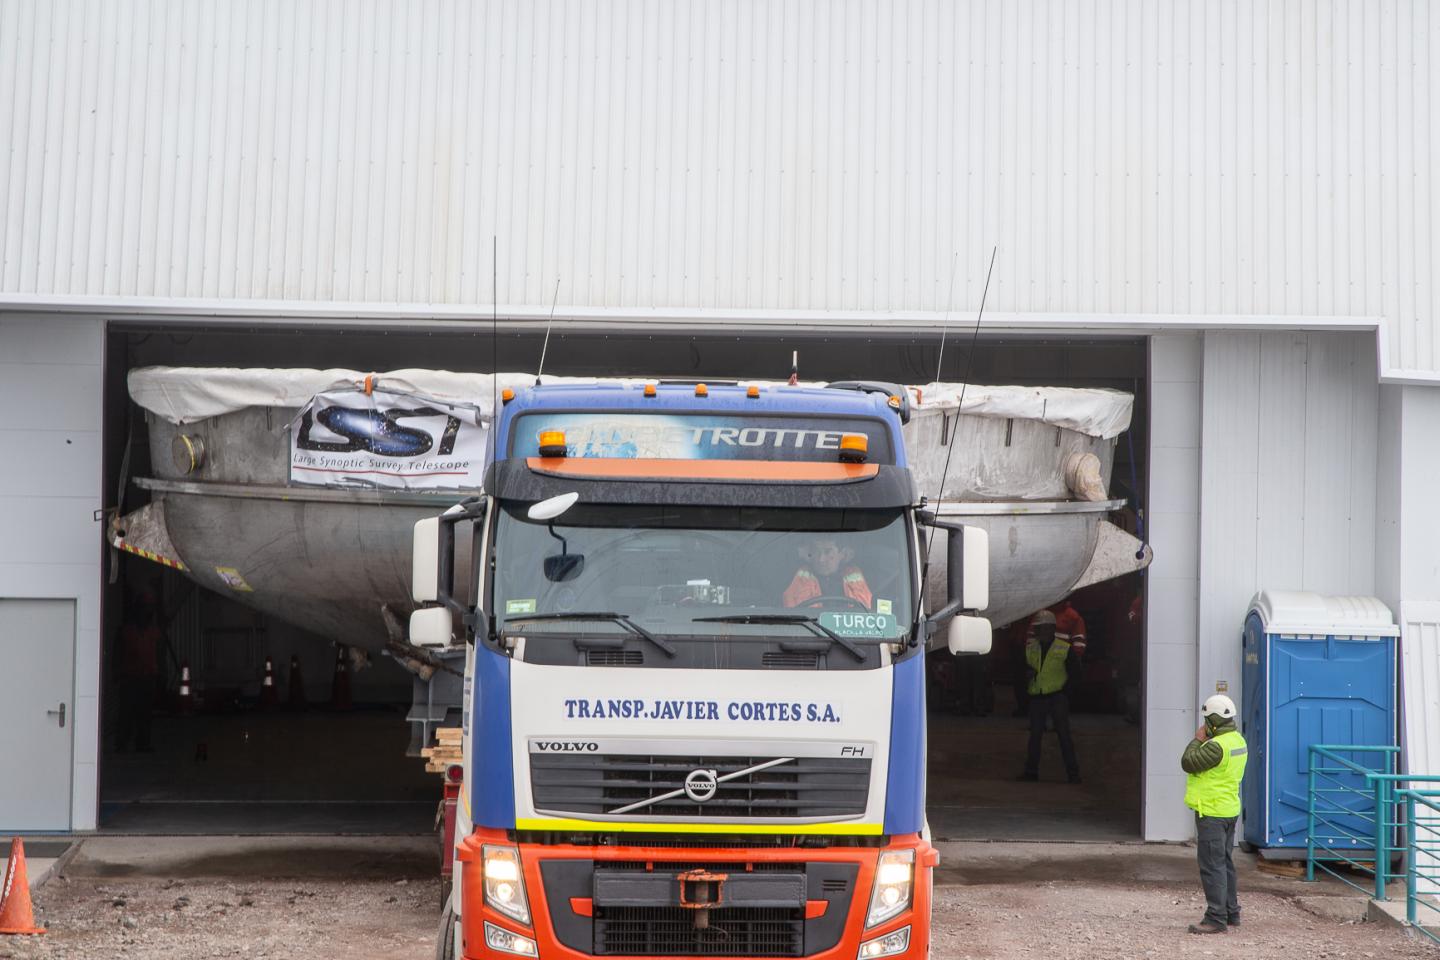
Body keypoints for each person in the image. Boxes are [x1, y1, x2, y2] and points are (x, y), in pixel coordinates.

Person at [1182, 694, 1248, 934]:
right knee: (1225, 863)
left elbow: (1188, 762)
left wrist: (1196, 739)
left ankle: (1215, 918)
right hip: (1229, 810)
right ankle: (1231, 912)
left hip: (1212, 812)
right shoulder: (1237, 740)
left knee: (1212, 866)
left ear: (1213, 721)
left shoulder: (1215, 746)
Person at [1017, 608, 1082, 783]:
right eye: (1038, 628)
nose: (1041, 631)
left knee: (1064, 736)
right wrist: (1026, 676)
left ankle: (1073, 774)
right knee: (1035, 737)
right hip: (1037, 697)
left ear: (1052, 629)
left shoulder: (1064, 649)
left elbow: (1075, 673)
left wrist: (1065, 693)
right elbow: (1021, 671)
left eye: (1044, 628)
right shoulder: (1031, 649)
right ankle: (1031, 773)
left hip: (1057, 697)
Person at [115, 589, 164, 753]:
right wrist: (116, 673)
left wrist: (158, 674)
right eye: (145, 607)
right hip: (130, 678)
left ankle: (142, 743)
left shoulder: (154, 631)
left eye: (150, 608)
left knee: (145, 714)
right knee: (126, 713)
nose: (148, 611)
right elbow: (117, 653)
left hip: (148, 678)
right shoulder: (126, 631)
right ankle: (122, 743)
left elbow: (158, 654)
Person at [782, 537, 873, 610]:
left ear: (843, 554)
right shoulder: (791, 574)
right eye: (816, 551)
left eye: (828, 552)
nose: (821, 559)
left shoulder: (868, 577)